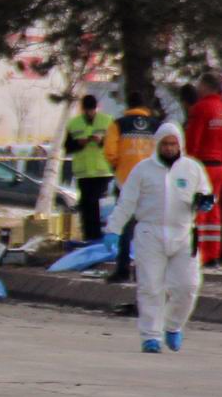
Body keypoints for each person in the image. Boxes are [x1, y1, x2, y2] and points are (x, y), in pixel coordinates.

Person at [109, 121, 215, 353]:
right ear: (158, 144)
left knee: (187, 286)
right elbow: (126, 202)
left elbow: (205, 193)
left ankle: (174, 325)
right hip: (150, 233)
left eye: (173, 144)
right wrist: (113, 230)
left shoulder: (192, 169)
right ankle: (151, 336)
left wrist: (205, 201)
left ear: (180, 145)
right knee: (150, 287)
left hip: (183, 233)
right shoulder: (143, 170)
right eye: (165, 144)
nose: (169, 148)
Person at [104, 93, 160, 283]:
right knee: (148, 228)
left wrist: (117, 165)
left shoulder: (118, 125)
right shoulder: (155, 125)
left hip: (125, 181)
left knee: (125, 226)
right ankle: (143, 271)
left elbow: (110, 152)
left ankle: (122, 269)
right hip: (151, 182)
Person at [64, 93, 115, 242]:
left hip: (102, 172)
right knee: (86, 206)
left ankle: (101, 237)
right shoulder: (74, 123)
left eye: (92, 110)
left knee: (101, 207)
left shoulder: (107, 121)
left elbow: (113, 143)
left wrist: (101, 141)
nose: (89, 113)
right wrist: (78, 144)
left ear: (96, 108)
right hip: (84, 173)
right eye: (87, 110)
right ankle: (89, 237)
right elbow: (67, 147)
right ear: (82, 109)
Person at [188, 71, 222, 265]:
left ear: (206, 86)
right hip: (219, 166)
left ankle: (198, 252)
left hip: (203, 166)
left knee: (199, 208)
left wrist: (186, 163)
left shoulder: (201, 108)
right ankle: (213, 253)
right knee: (214, 208)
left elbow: (194, 139)